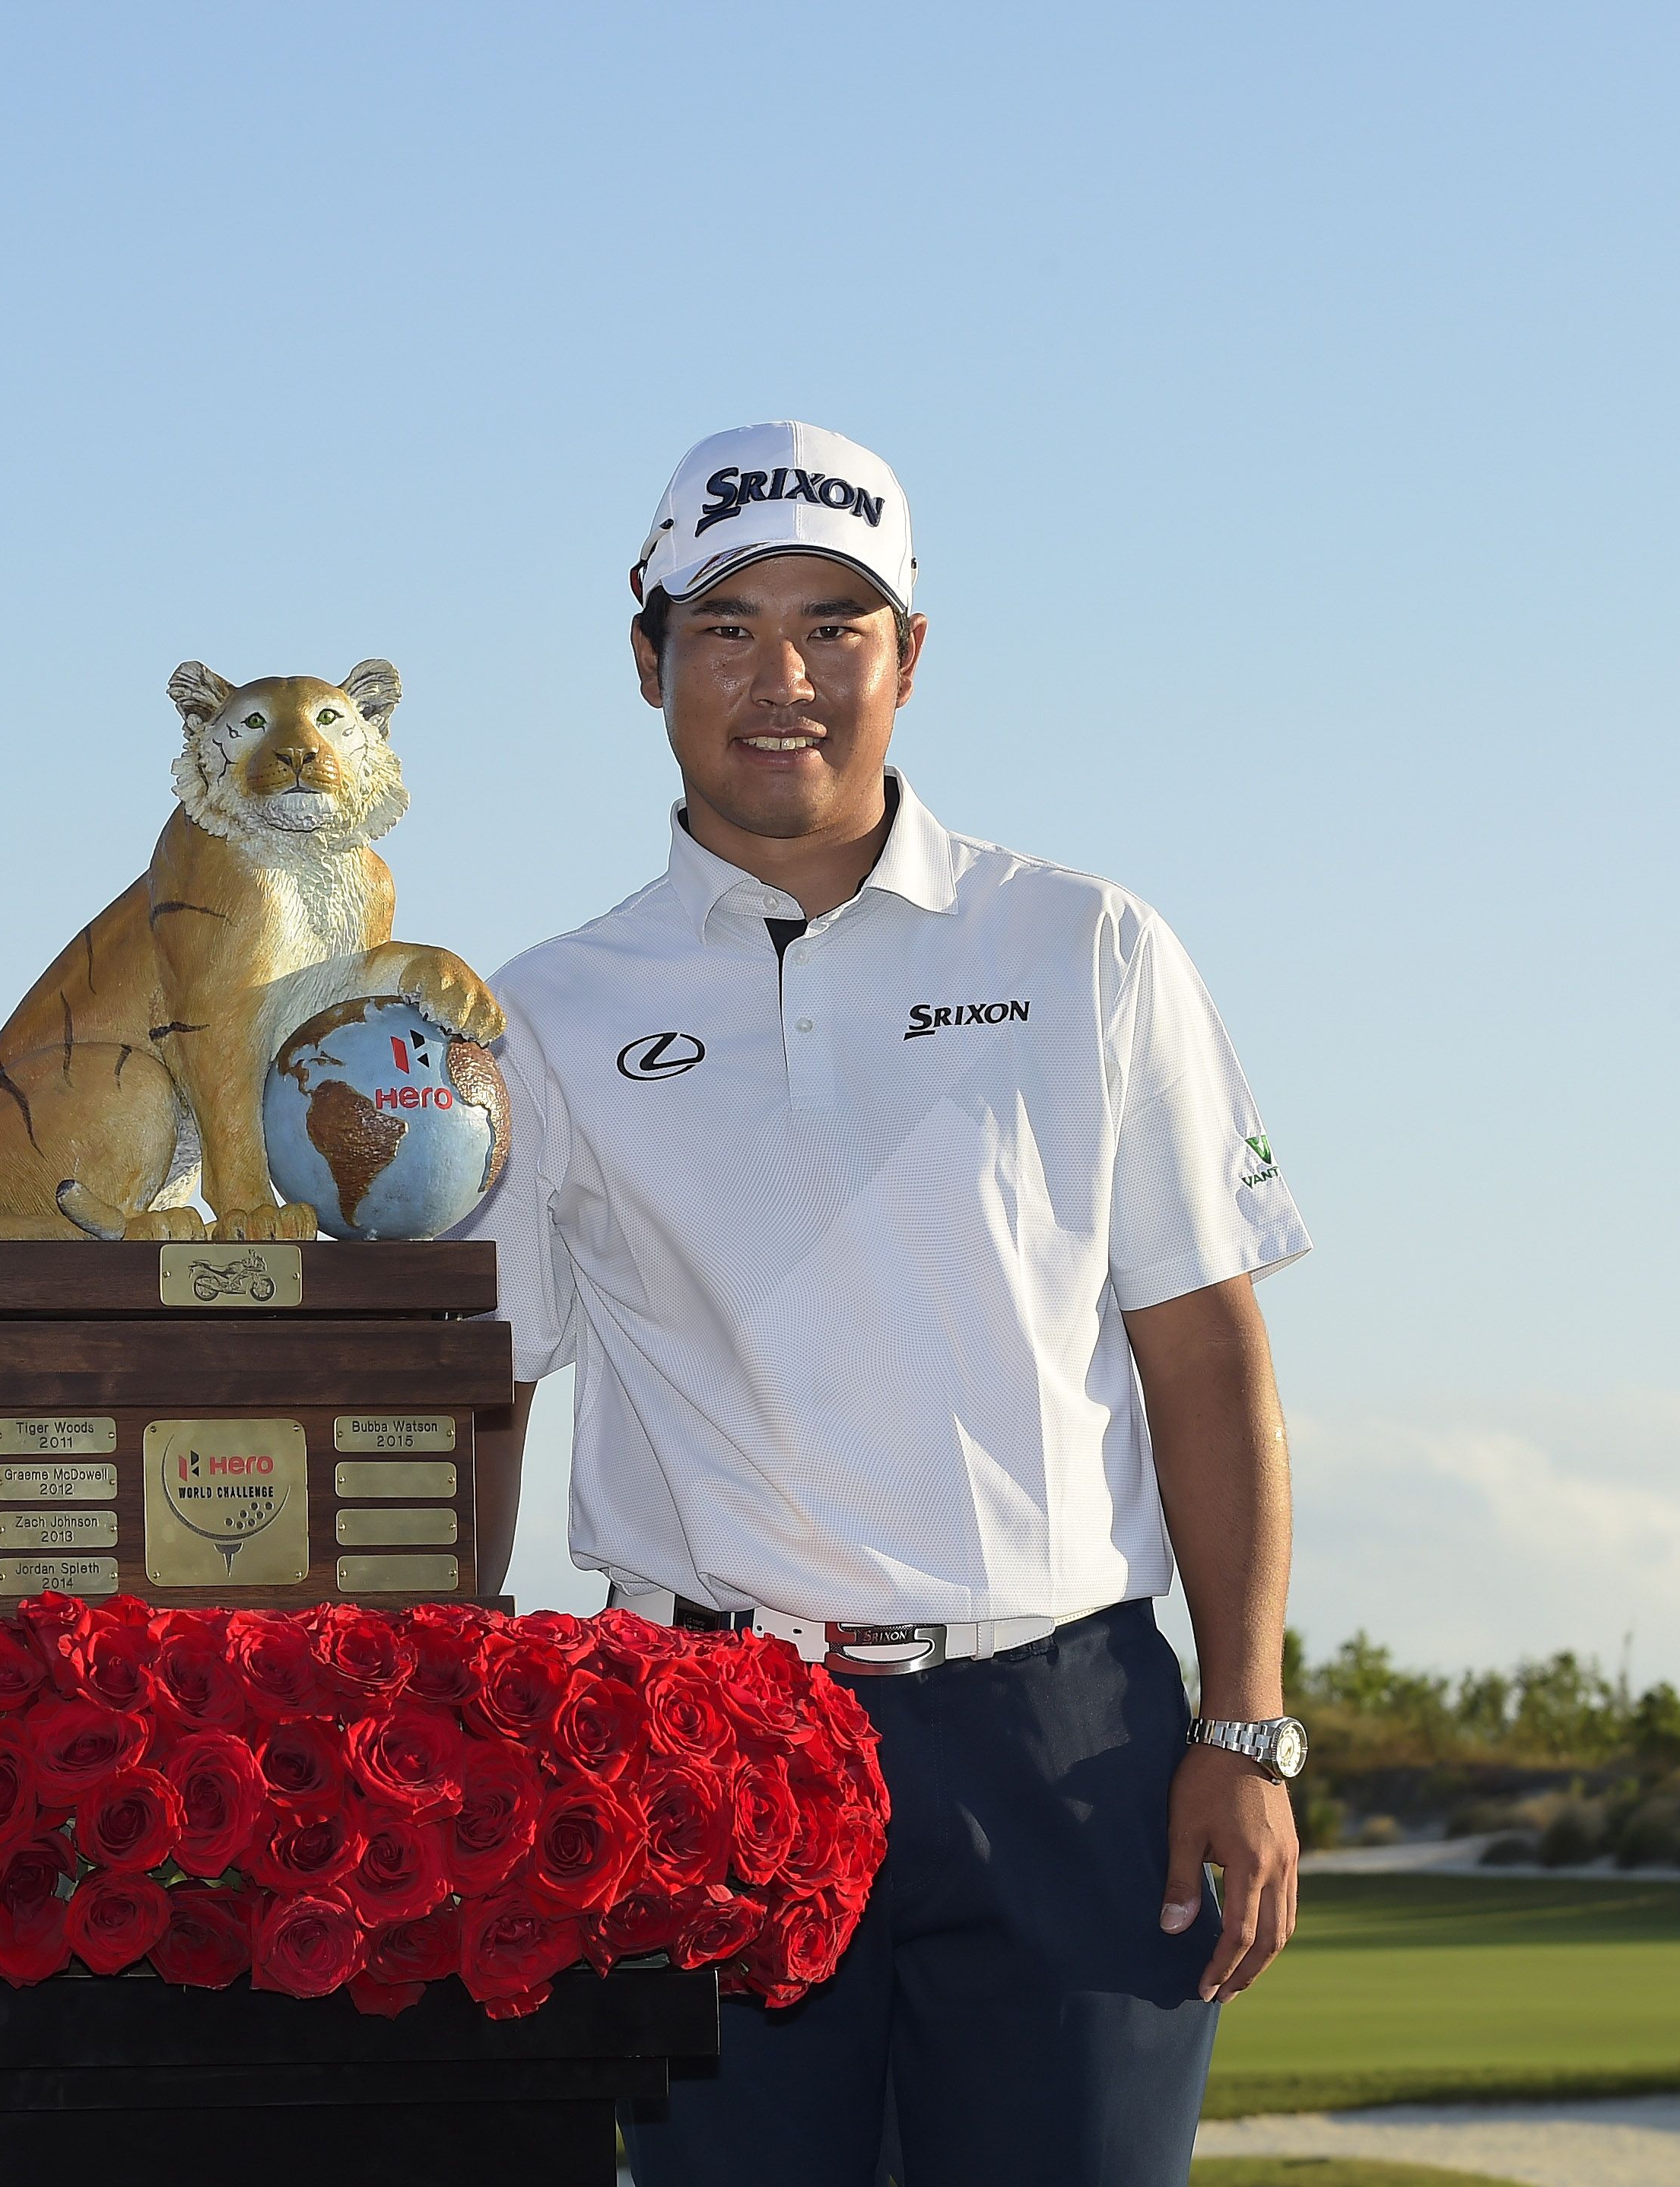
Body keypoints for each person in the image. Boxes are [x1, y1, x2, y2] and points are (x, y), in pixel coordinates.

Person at [456, 421, 1310, 2185]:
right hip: (699, 1735)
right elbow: (483, 1392)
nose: (785, 679)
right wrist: (457, 1728)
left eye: (837, 627)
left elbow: (1208, 1365)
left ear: (911, 657)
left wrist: (1245, 1723)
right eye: (726, 627)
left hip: (1066, 1738)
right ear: (646, 662)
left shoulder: (1088, 947)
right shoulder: (540, 1011)